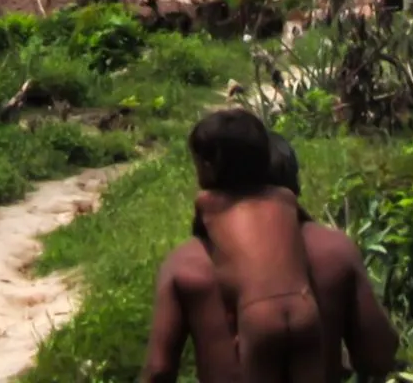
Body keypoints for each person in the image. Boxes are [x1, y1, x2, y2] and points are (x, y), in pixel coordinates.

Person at [143, 113, 396, 383]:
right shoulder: (335, 249)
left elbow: (159, 371)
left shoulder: (185, 265)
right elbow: (378, 356)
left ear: (204, 170)